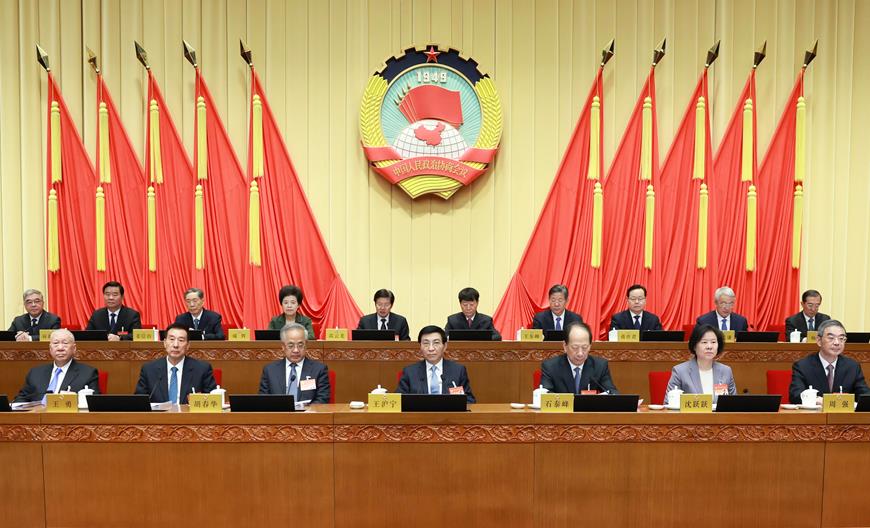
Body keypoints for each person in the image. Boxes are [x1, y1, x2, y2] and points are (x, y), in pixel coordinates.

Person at [788, 319, 870, 405]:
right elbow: (795, 396)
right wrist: (817, 400)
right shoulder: (803, 366)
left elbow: (865, 395)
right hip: (815, 413)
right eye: (831, 338)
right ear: (819, 341)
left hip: (843, 414)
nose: (837, 343)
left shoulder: (852, 366)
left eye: (841, 338)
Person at [134, 324, 217, 404]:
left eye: (181, 340)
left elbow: (213, 402)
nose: (175, 345)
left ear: (188, 345)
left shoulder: (202, 369)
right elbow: (140, 402)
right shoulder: (149, 370)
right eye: (172, 339)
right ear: (164, 343)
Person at [13, 329, 99, 403]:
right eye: (56, 343)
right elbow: (21, 400)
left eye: (65, 343)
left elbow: (93, 403)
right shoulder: (35, 373)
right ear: (50, 349)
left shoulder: (88, 373)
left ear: (74, 348)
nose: (60, 348)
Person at [397, 325, 475, 403]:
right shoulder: (410, 372)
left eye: (436, 343)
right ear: (420, 346)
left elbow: (469, 400)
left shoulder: (458, 370)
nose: (431, 348)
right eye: (426, 343)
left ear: (445, 346)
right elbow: (399, 401)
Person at [663, 324, 737, 406]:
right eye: (704, 342)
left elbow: (733, 404)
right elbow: (668, 404)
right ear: (694, 346)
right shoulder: (680, 371)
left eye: (713, 342)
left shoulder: (726, 371)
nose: (709, 347)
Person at [258, 322, 330, 403]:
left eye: (300, 345)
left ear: (306, 345)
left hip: (308, 411)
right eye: (291, 345)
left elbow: (322, 400)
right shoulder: (270, 370)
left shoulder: (319, 370)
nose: (296, 350)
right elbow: (263, 400)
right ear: (283, 346)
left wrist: (304, 410)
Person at [540, 321, 618, 394]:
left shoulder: (600, 366)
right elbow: (545, 395)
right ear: (565, 346)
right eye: (575, 347)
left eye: (584, 347)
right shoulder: (550, 367)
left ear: (590, 346)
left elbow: (612, 393)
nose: (580, 353)